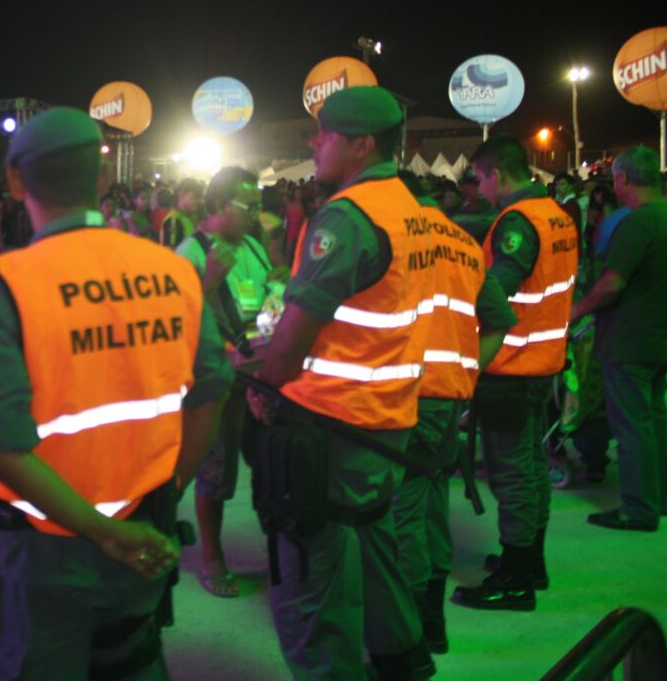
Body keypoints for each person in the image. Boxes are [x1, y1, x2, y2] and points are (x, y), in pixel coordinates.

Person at [0, 107, 232, 679]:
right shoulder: (174, 272)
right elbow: (211, 393)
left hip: (45, 547)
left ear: (15, 182)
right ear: (103, 178)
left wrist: (104, 532)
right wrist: (168, 490)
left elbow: (0, 447)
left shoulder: (11, 284)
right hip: (148, 533)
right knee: (133, 661)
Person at [248, 86, 435, 679]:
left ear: (361, 145)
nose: (313, 142)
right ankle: (402, 662)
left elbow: (291, 346)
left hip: (329, 424)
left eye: (324, 134)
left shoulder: (346, 218)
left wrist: (256, 378)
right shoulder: (410, 208)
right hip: (387, 418)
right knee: (377, 550)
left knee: (311, 589)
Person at [451, 135, 578, 612]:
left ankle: (516, 578)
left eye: (480, 180)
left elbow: (496, 289)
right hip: (542, 360)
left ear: (496, 175)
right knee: (530, 468)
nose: (479, 190)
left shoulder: (517, 224)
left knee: (513, 476)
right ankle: (530, 561)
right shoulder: (555, 214)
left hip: (510, 364)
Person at [391, 171, 515, 654]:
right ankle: (433, 625)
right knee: (433, 503)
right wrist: (467, 374)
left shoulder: (393, 236)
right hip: (448, 398)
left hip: (403, 395)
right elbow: (499, 322)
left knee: (402, 514)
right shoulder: (462, 242)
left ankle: (409, 638)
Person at [175, 166, 274, 598]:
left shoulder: (253, 245)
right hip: (216, 381)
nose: (254, 215)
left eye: (256, 207)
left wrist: (280, 290)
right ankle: (212, 556)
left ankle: (277, 546)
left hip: (261, 376)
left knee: (269, 464)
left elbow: (268, 300)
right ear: (217, 206)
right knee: (216, 468)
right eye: (246, 206)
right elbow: (172, 322)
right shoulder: (190, 253)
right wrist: (208, 280)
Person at [570, 146, 667, 531]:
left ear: (624, 179)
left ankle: (638, 508)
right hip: (659, 339)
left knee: (632, 427)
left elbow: (612, 283)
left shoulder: (638, 223)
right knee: (655, 421)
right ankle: (658, 498)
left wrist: (576, 312)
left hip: (630, 339)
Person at [158, 178, 202, 248]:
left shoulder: (189, 217)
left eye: (200, 197)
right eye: (194, 197)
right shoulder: (174, 219)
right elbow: (170, 252)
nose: (199, 201)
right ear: (181, 194)